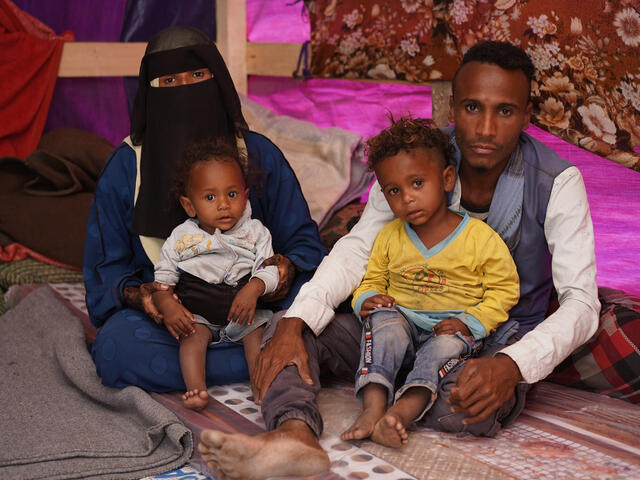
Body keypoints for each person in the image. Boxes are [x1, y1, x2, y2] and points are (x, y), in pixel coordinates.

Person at [199, 41, 599, 480]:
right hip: (396, 319)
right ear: (452, 108)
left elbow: (581, 301)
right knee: (285, 330)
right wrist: (299, 321)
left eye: (504, 111)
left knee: (473, 406)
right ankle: (294, 436)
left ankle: (393, 388)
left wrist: (512, 366)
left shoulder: (558, 181)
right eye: (471, 107)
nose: (485, 128)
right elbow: (358, 247)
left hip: (484, 339)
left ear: (526, 116)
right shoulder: (414, 158)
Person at [83, 26, 326, 393]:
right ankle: (264, 360)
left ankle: (233, 358)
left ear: (219, 81)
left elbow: (305, 245)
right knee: (118, 349)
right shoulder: (125, 167)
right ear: (149, 93)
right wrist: (145, 296)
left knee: (327, 313)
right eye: (168, 80)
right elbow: (107, 268)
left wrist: (282, 271)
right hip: (174, 321)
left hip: (256, 306)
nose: (185, 89)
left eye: (197, 75)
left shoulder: (259, 154)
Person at [341, 116, 519, 447]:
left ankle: (400, 415)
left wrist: (469, 323)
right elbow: (373, 278)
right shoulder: (390, 235)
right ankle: (373, 406)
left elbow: (504, 290)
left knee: (445, 348)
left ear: (447, 178)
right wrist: (366, 297)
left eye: (417, 183)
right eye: (394, 190)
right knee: (383, 324)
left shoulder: (480, 238)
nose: (407, 198)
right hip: (402, 319)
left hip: (451, 329)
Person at [153, 138, 279, 410]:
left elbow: (270, 270)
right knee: (191, 338)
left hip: (244, 311)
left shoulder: (256, 232)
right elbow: (163, 278)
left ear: (245, 196)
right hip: (199, 312)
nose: (223, 204)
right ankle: (196, 388)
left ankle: (261, 387)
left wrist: (255, 287)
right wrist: (166, 305)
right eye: (210, 197)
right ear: (189, 205)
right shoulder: (183, 237)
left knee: (258, 336)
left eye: (232, 195)